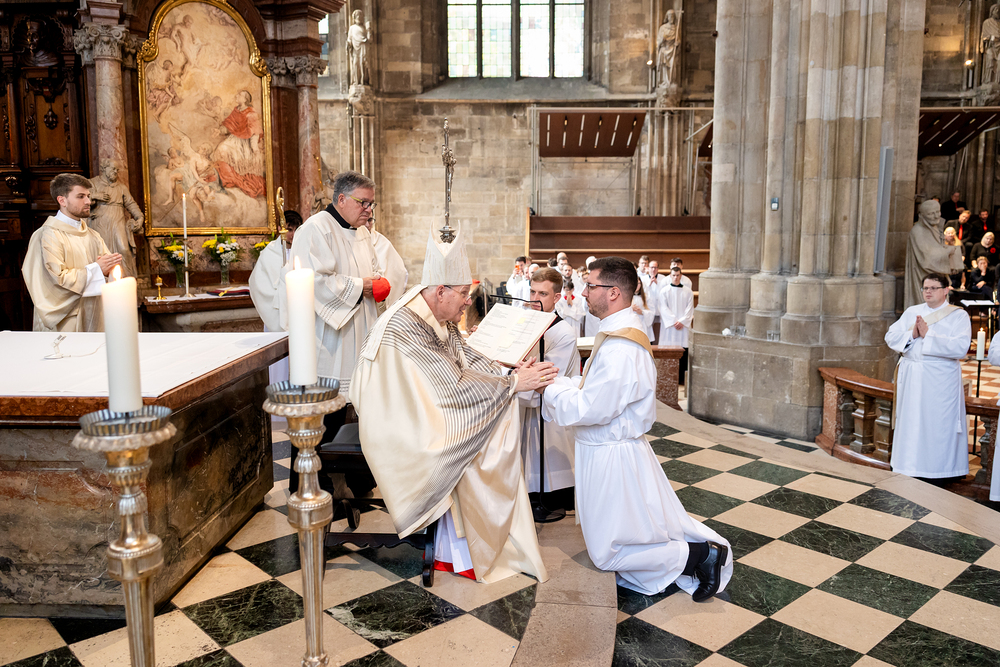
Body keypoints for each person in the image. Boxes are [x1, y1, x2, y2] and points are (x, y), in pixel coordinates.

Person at [350, 223, 554, 583]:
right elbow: (453, 388)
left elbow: (464, 358)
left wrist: (507, 371)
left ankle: (469, 544)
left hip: (416, 410)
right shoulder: (408, 324)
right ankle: (465, 549)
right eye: (462, 293)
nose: (467, 301)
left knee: (489, 422)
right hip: (393, 425)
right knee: (478, 435)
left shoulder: (435, 314)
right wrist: (512, 385)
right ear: (440, 290)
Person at [540, 256, 732, 600]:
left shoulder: (621, 347)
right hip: (609, 449)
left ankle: (699, 556)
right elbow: (593, 389)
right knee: (626, 534)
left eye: (591, 286)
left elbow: (591, 408)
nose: (583, 292)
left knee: (607, 552)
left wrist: (547, 388)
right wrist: (559, 380)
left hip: (612, 455)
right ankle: (690, 556)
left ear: (613, 292)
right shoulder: (617, 334)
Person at [288, 171, 407, 492]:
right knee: (322, 414)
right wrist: (362, 286)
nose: (369, 210)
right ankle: (312, 485)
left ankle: (355, 478)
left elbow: (375, 271)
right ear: (341, 199)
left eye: (371, 204)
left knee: (355, 409)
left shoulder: (362, 233)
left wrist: (379, 282)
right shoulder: (315, 230)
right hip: (330, 339)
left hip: (360, 333)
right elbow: (313, 281)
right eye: (363, 203)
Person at [885, 273, 971, 480]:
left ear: (946, 290)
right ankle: (907, 465)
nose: (928, 292)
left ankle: (939, 471)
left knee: (937, 423)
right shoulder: (912, 311)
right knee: (911, 421)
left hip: (940, 380)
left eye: (933, 288)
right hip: (912, 376)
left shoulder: (958, 316)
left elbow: (961, 347)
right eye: (925, 288)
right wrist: (912, 334)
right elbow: (890, 336)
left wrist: (929, 335)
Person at [21, 174, 121, 332]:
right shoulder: (48, 235)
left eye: (88, 196)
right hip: (65, 320)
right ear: (62, 200)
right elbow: (55, 279)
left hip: (94, 314)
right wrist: (97, 269)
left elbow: (108, 273)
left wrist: (110, 270)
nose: (88, 201)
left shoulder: (93, 236)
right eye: (81, 196)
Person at [518, 268, 580, 507]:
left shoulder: (563, 332)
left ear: (556, 297)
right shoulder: (524, 322)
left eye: (542, 294)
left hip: (547, 408)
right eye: (532, 292)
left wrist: (515, 377)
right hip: (523, 403)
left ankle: (552, 497)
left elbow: (549, 377)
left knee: (548, 468)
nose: (535, 299)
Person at [88, 159, 144, 279]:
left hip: (118, 220)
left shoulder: (121, 187)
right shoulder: (92, 183)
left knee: (124, 249)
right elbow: (83, 200)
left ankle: (127, 280)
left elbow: (131, 204)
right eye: (113, 169)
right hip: (101, 221)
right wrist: (96, 196)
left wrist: (139, 217)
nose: (116, 172)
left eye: (117, 170)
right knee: (103, 252)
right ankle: (104, 280)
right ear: (104, 169)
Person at [904, 200, 964, 308]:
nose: (936, 216)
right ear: (922, 215)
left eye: (938, 212)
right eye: (931, 213)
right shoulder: (917, 231)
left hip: (938, 277)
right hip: (924, 276)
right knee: (927, 307)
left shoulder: (935, 227)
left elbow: (936, 248)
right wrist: (948, 251)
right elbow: (927, 258)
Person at [250, 211, 302, 333]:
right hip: (277, 310)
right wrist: (280, 292)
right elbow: (257, 283)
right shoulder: (269, 252)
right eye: (289, 230)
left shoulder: (304, 250)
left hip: (300, 307)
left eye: (297, 230)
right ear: (280, 229)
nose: (293, 235)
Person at [658, 266, 695, 383]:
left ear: (681, 275)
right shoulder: (664, 291)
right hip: (670, 327)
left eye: (678, 275)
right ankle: (668, 379)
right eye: (673, 275)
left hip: (683, 327)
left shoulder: (688, 291)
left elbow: (690, 308)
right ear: (670, 276)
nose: (675, 277)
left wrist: (682, 321)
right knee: (669, 350)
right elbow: (663, 308)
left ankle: (682, 380)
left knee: (683, 350)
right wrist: (674, 321)